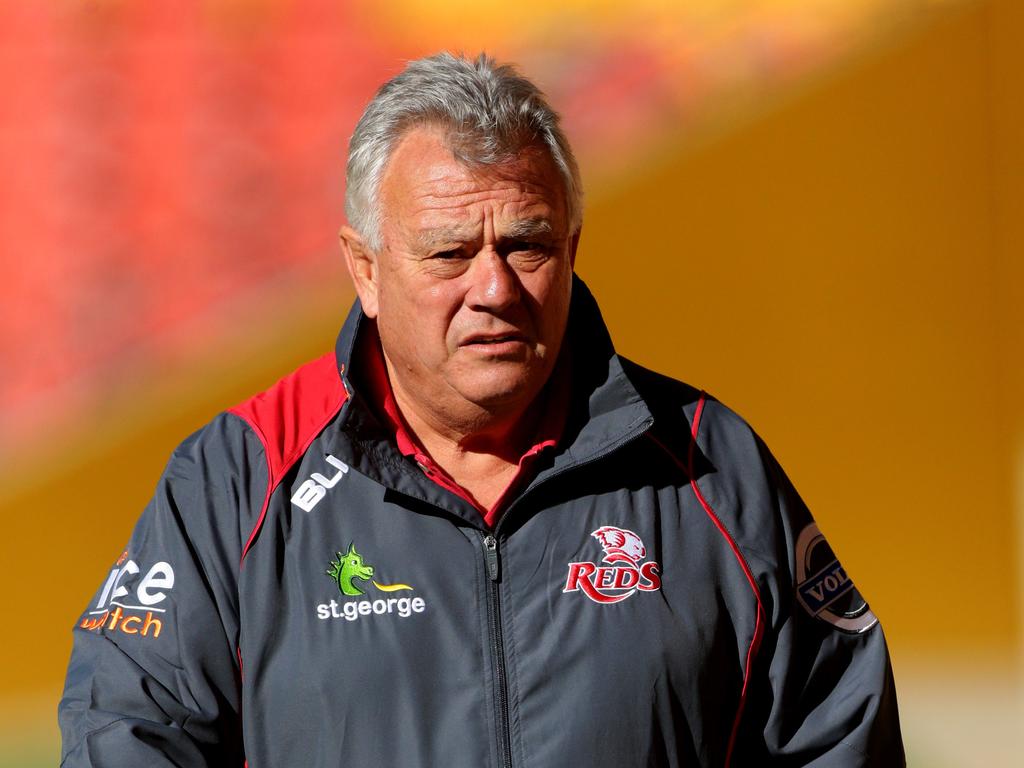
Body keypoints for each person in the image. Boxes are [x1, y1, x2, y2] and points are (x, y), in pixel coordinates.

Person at [59, 52, 905, 767]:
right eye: (450, 252)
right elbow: (126, 731)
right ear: (365, 268)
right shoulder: (237, 478)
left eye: (527, 244)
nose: (494, 289)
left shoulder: (708, 463)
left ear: (571, 249)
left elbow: (840, 735)